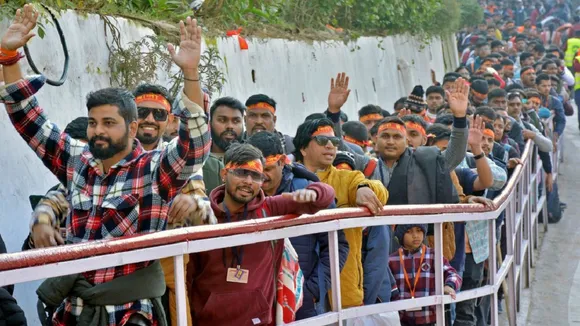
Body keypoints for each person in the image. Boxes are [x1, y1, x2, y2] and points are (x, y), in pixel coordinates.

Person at [0, 6, 210, 325]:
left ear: (132, 128)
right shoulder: (78, 164)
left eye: (109, 122)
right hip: (73, 313)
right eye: (94, 122)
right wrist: (9, 55)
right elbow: (30, 121)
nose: (98, 130)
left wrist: (191, 75)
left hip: (128, 314)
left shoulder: (152, 170)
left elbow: (193, 148)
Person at [186, 143, 336, 325]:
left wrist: (313, 193)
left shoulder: (270, 208)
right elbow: (188, 274)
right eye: (241, 173)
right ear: (224, 174)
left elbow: (327, 194)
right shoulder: (202, 214)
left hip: (259, 321)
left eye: (256, 176)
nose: (249, 181)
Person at [246, 131, 349, 319]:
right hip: (255, 302)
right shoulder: (243, 194)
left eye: (267, 169)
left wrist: (313, 291)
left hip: (303, 301)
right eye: (255, 172)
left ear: (283, 161)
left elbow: (337, 246)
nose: (261, 178)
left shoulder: (309, 192)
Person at [292, 118, 389, 308]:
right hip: (301, 282)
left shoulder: (348, 178)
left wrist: (363, 188)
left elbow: (380, 190)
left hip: (342, 285)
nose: (330, 145)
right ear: (303, 148)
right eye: (321, 141)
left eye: (334, 141)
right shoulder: (288, 180)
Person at [389, 224, 462, 326]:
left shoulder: (433, 255)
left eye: (419, 231)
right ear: (401, 235)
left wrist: (449, 285)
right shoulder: (392, 260)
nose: (415, 235)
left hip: (430, 320)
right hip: (402, 320)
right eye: (409, 232)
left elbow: (453, 274)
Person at [203, 96, 245, 194]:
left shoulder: (253, 159)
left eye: (236, 121)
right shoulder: (198, 158)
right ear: (210, 123)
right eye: (222, 120)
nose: (230, 126)